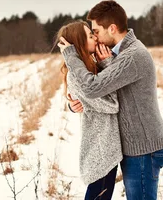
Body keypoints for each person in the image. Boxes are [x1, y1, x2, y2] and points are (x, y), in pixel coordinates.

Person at [58, 0, 163, 200]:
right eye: (91, 34)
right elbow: (91, 89)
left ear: (112, 28)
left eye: (96, 31)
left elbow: (93, 88)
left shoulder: (132, 56)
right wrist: (74, 105)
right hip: (134, 148)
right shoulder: (118, 54)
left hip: (142, 148)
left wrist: (71, 57)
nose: (96, 37)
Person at [57, 20, 123, 200]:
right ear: (79, 42)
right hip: (100, 151)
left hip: (104, 147)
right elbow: (111, 104)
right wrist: (107, 65)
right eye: (89, 35)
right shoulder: (78, 76)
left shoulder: (87, 68)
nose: (95, 38)